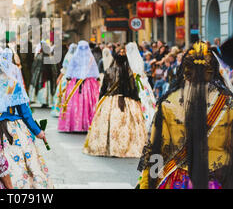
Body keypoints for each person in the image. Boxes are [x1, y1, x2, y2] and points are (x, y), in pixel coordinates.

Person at [137, 41, 233, 189]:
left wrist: (146, 183)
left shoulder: (168, 104)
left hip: (180, 180)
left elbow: (155, 151)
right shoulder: (228, 103)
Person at [0, 49, 53, 189]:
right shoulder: (13, 84)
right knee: (22, 166)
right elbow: (25, 114)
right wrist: (38, 132)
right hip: (12, 130)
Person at [83, 46, 147, 158]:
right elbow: (133, 89)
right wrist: (137, 100)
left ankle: (108, 147)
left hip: (110, 101)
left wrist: (100, 102)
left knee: (108, 125)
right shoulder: (129, 72)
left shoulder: (109, 71)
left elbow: (103, 89)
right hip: (126, 101)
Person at [58, 41, 100, 132]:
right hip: (88, 85)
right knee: (87, 103)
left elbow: (70, 70)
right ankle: (86, 124)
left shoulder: (76, 57)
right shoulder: (90, 58)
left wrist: (68, 78)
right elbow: (95, 72)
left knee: (75, 103)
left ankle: (75, 124)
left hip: (76, 84)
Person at [29, 41, 59, 108]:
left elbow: (34, 66)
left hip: (39, 76)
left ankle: (40, 100)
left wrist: (33, 73)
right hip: (48, 76)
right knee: (47, 88)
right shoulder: (49, 56)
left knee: (41, 88)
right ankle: (46, 101)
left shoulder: (39, 56)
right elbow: (54, 68)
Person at [50, 43, 77, 118]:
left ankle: (59, 110)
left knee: (61, 93)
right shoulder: (78, 58)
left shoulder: (68, 56)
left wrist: (59, 78)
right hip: (75, 79)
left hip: (66, 78)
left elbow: (64, 69)